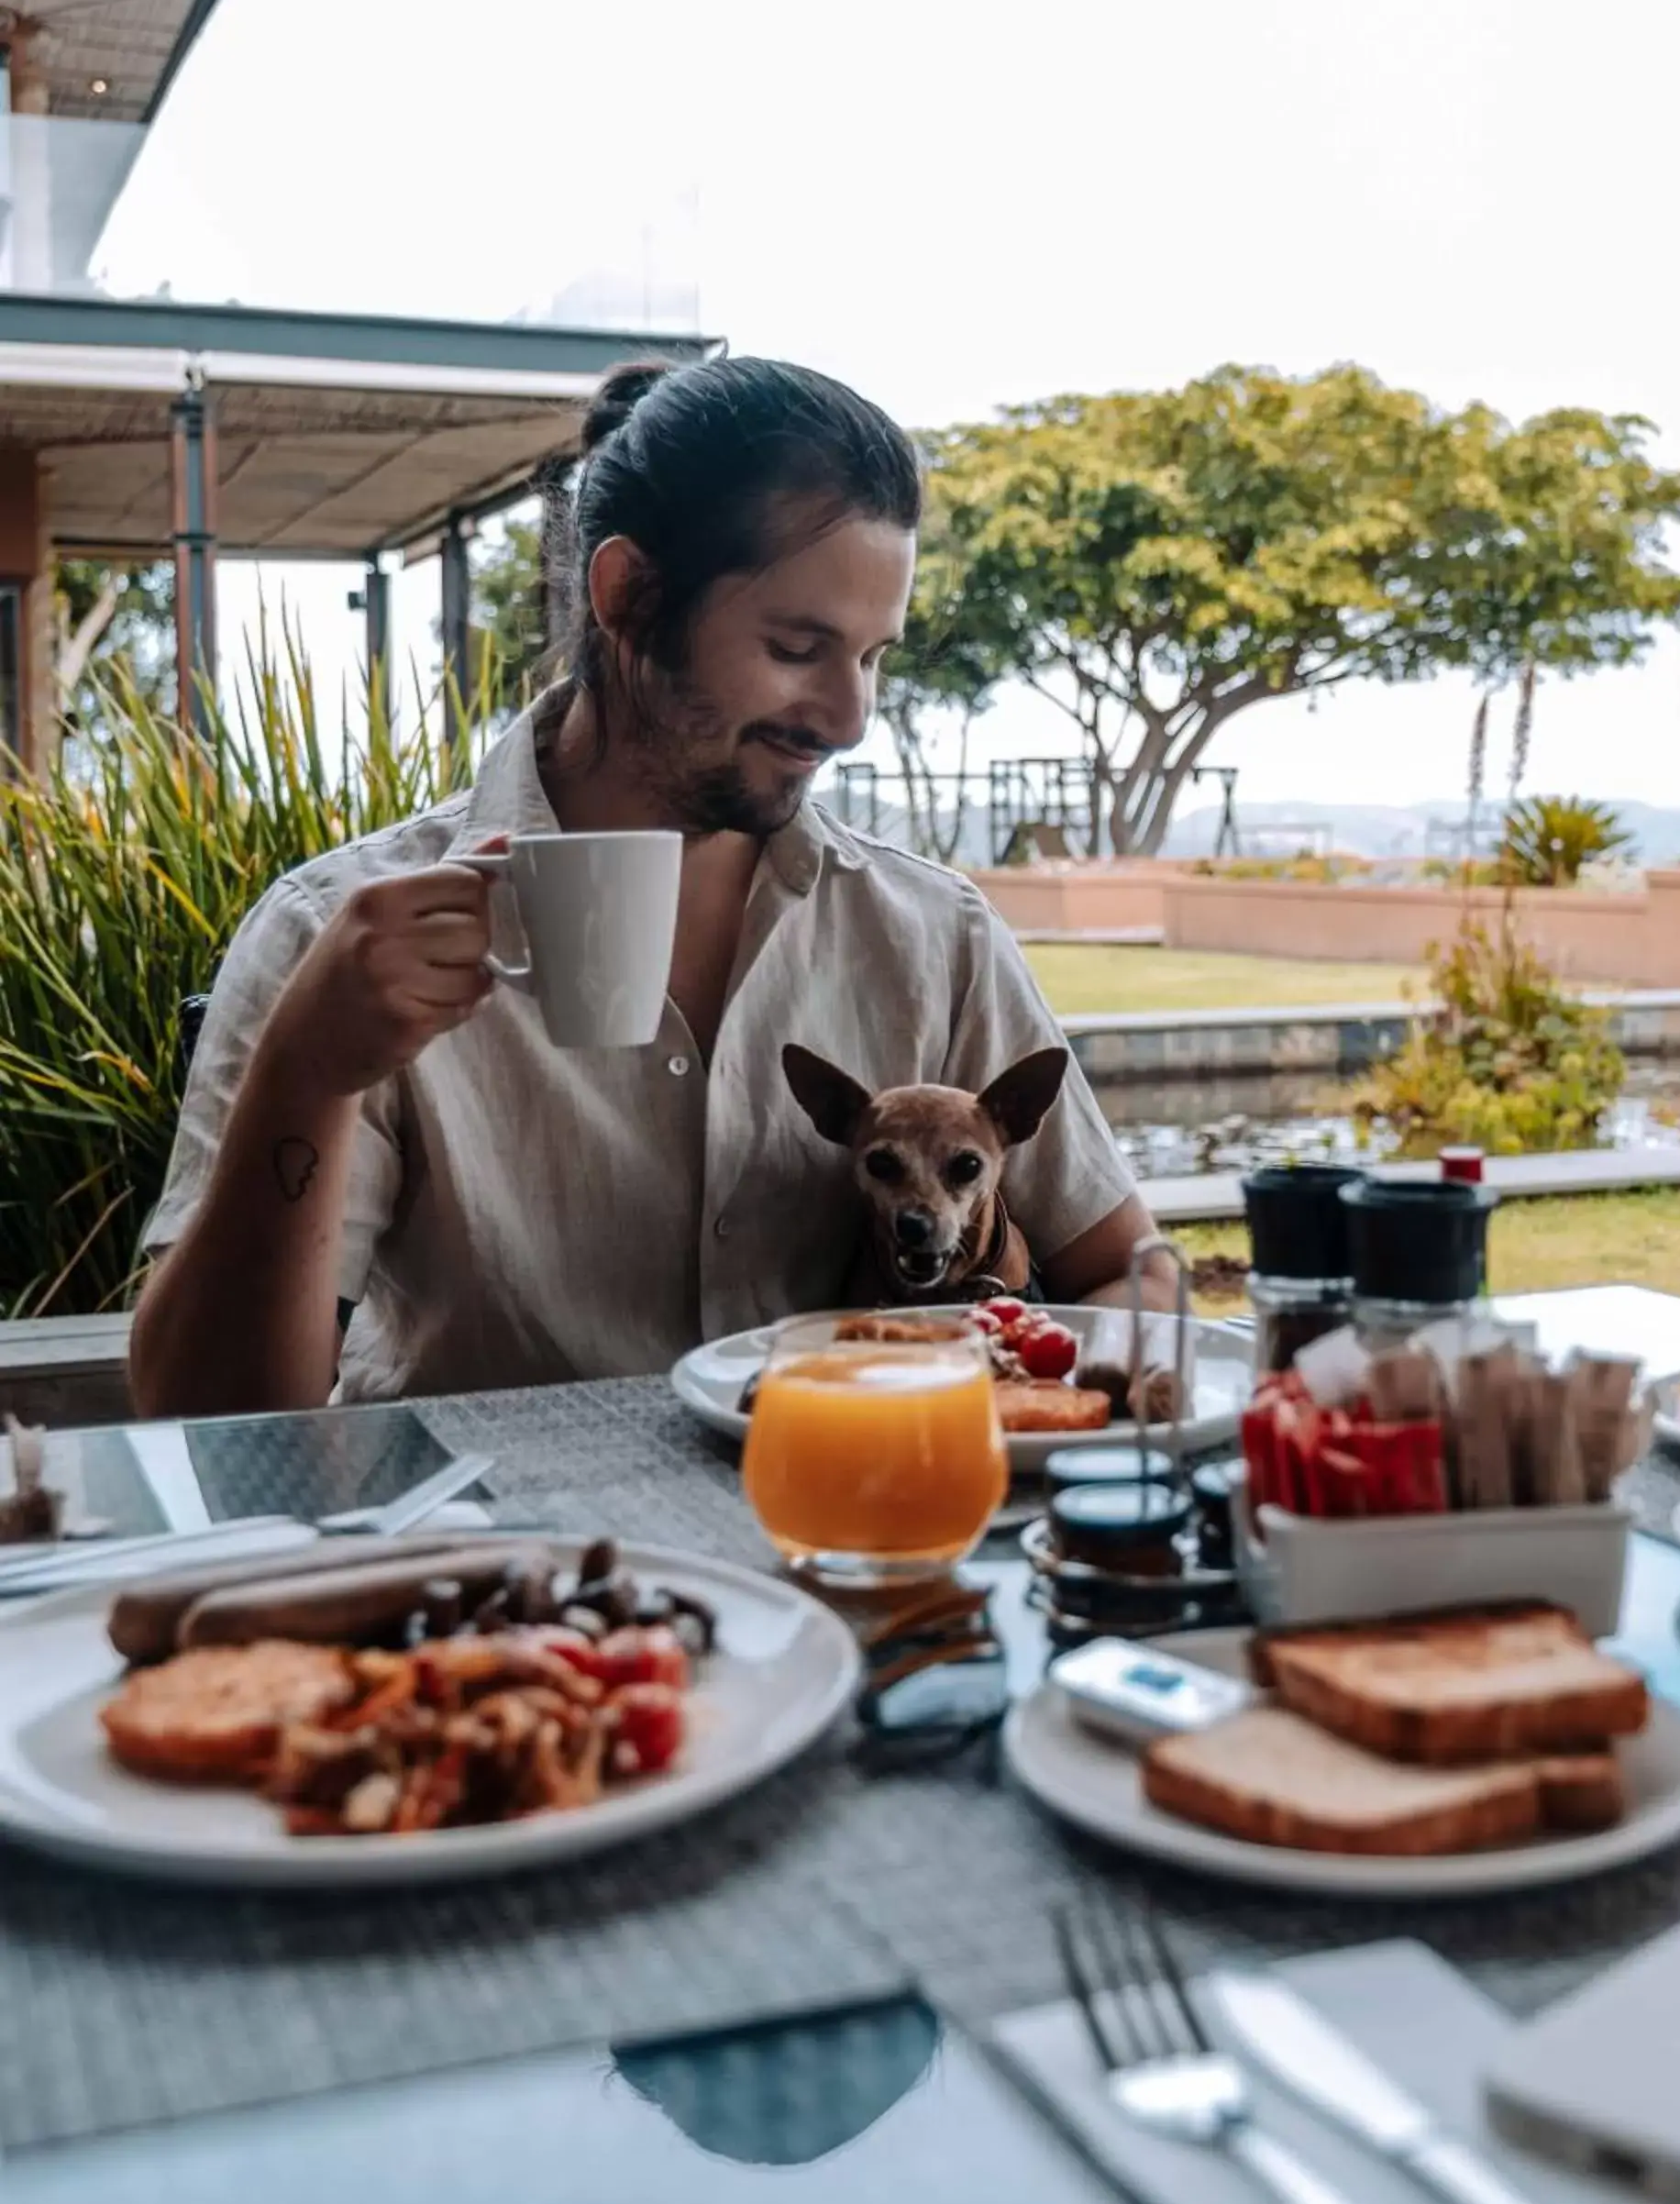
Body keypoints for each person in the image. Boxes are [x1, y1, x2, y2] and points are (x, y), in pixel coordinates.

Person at [130, 356, 1171, 1417]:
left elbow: (1128, 1278)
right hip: (501, 1571)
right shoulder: (336, 939)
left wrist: (1070, 1388)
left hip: (859, 1552)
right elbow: (208, 1421)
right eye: (796, 646)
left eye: (871, 658)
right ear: (627, 595)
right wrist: (309, 1069)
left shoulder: (928, 935)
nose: (848, 716)